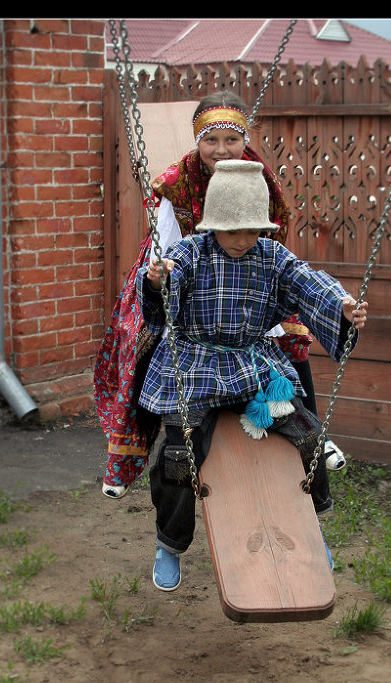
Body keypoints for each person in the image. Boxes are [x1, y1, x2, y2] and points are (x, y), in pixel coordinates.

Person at [94, 90, 346, 501]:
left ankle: (309, 434)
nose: (222, 149)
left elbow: (275, 243)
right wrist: (167, 278)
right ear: (197, 142)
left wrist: (269, 298)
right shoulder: (176, 185)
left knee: (294, 342)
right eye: (211, 140)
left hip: (249, 280)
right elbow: (168, 247)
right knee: (143, 345)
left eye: (232, 139)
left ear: (245, 140)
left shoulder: (260, 179)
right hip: (190, 282)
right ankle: (126, 458)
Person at [136, 160, 368, 591]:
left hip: (251, 366)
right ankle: (169, 541)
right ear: (212, 225)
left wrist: (342, 305)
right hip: (194, 366)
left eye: (252, 230)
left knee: (307, 434)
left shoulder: (272, 256)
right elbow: (166, 282)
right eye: (232, 230)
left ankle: (311, 528)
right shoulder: (191, 252)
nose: (242, 240)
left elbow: (309, 281)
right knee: (179, 455)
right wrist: (158, 281)